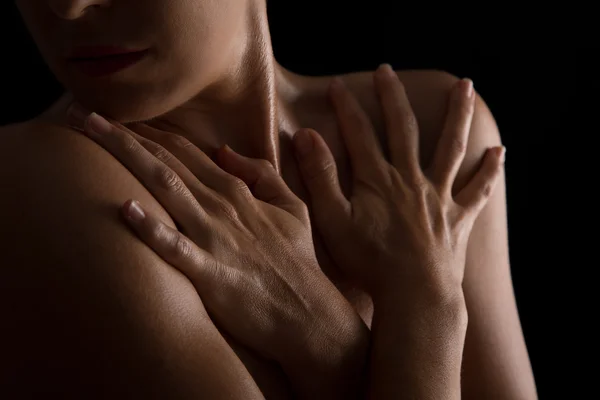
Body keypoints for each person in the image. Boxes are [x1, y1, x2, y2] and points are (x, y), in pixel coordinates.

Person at [0, 0, 537, 399]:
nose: (68, 7)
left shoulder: (430, 135)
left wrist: (334, 349)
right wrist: (426, 312)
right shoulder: (39, 185)